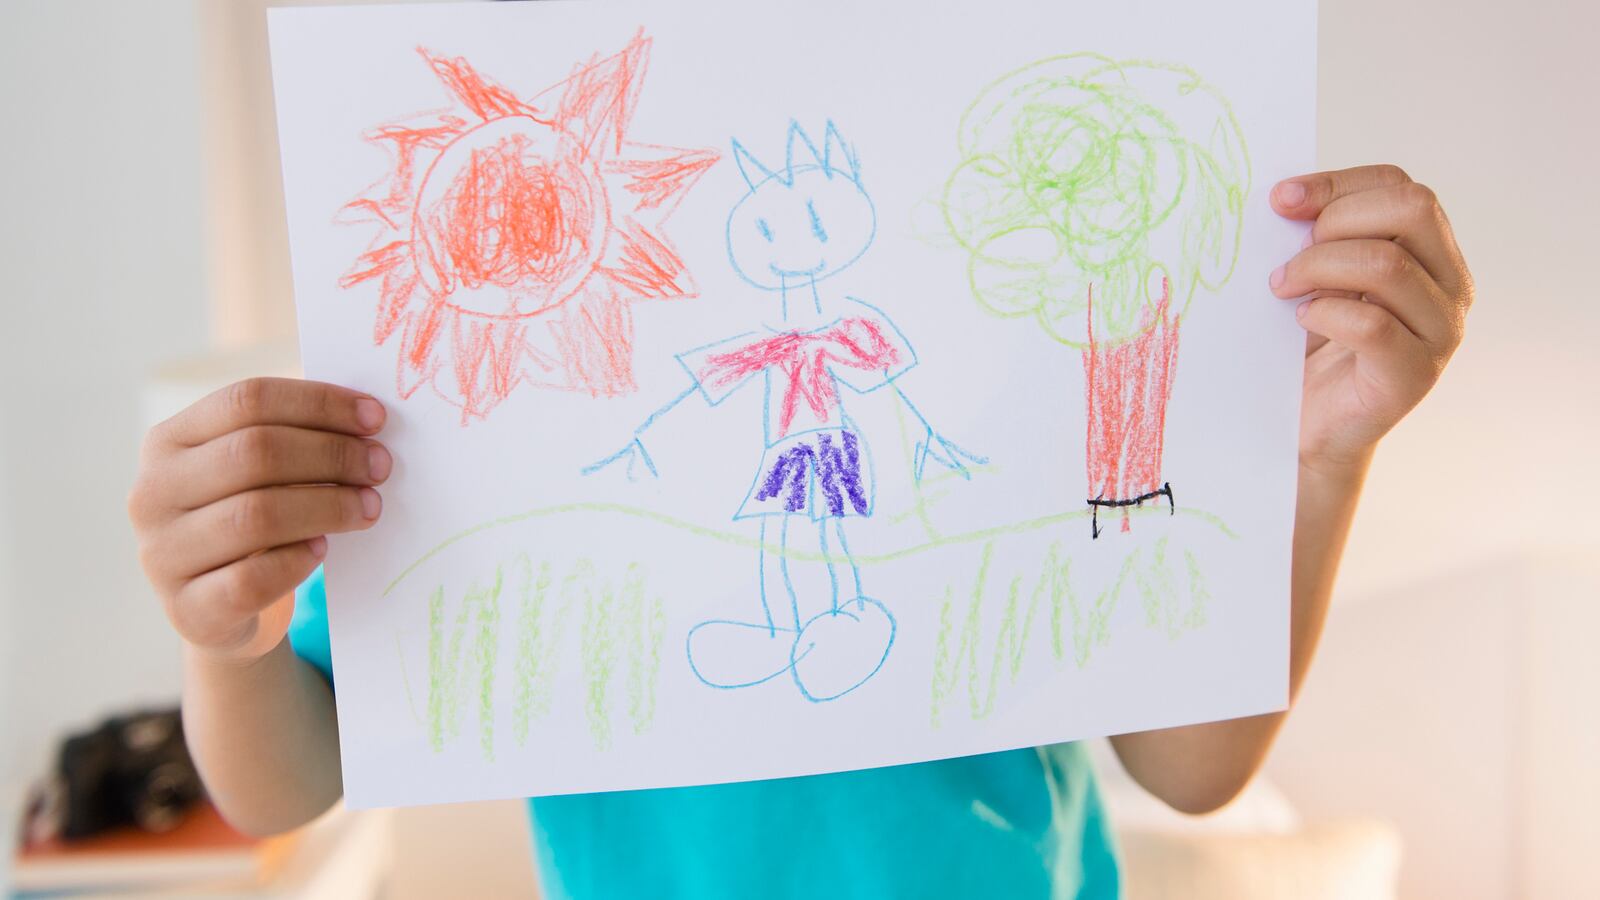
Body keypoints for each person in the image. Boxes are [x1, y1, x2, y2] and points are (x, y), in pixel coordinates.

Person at [128, 164, 1473, 898]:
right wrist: (226, 632)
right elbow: (282, 780)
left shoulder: (1009, 311)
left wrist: (1321, 462)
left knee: (827, 552)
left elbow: (1190, 768)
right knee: (794, 555)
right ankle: (796, 617)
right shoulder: (493, 358)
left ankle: (822, 614)